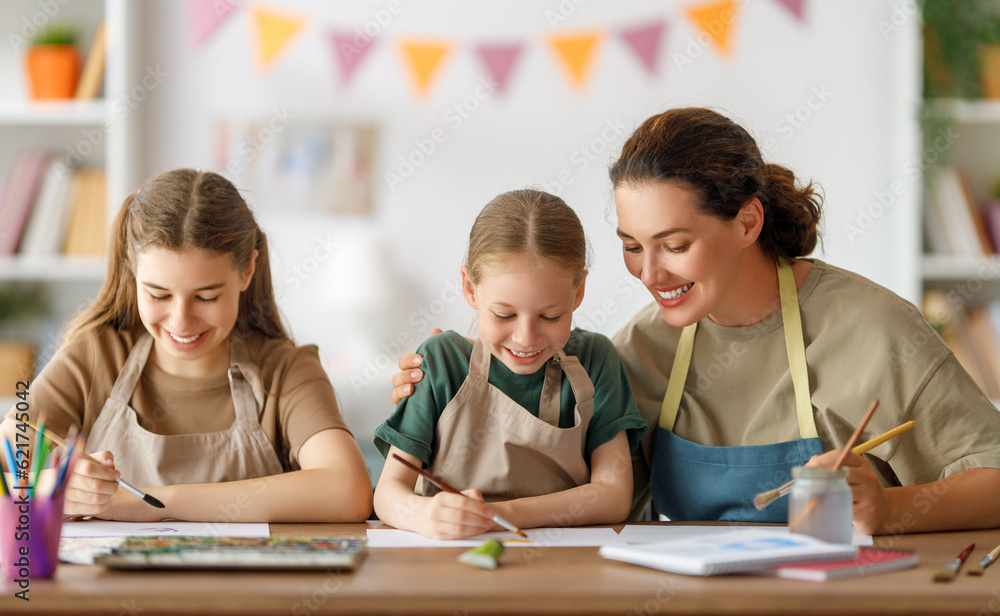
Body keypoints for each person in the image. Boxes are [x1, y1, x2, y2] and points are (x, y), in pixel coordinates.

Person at [391, 108, 1000, 535]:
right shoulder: (641, 348)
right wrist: (433, 391)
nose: (649, 273)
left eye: (673, 244)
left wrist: (891, 509)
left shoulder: (875, 331)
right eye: (632, 245)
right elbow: (542, 448)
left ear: (746, 223)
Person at [0, 169, 372, 523]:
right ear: (132, 269)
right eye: (158, 294)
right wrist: (54, 486)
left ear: (247, 271)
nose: (181, 321)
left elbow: (349, 490)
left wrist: (156, 503)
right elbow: (9, 467)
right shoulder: (94, 357)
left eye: (206, 297)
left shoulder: (286, 370)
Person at [373, 189, 647, 540]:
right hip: (452, 562)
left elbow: (613, 494)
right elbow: (388, 492)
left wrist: (499, 514)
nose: (526, 338)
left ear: (578, 293)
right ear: (471, 289)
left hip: (566, 565)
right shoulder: (442, 361)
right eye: (504, 314)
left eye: (550, 316)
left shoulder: (595, 359)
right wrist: (423, 514)